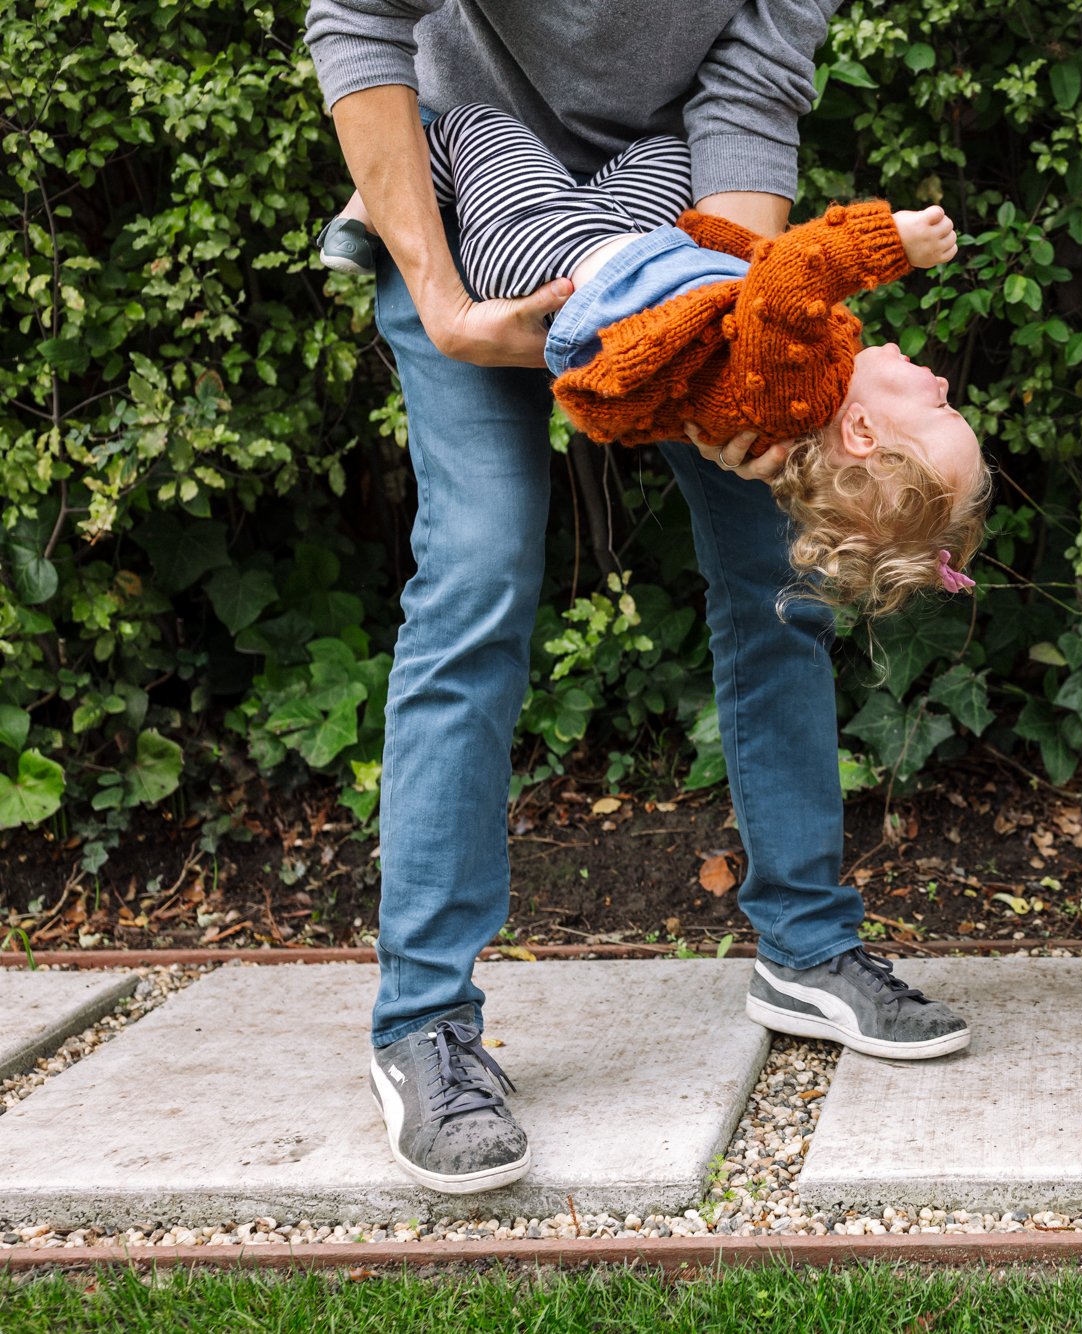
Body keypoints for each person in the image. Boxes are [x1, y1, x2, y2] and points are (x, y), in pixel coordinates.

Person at [305, 0, 974, 1198]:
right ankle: (424, 1023)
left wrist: (727, 372)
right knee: (478, 576)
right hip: (466, 194)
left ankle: (807, 948)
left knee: (780, 584)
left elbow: (752, 91)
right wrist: (450, 311)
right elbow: (357, 21)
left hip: (668, 221)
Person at [320, 103, 990, 613]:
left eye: (940, 402)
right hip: (619, 239)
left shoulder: (801, 387)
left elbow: (788, 279)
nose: (938, 378)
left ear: (863, 431)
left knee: (476, 124)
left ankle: (373, 206)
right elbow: (751, 272)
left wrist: (889, 242)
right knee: (672, 152)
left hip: (545, 256)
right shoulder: (798, 396)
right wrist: (703, 234)